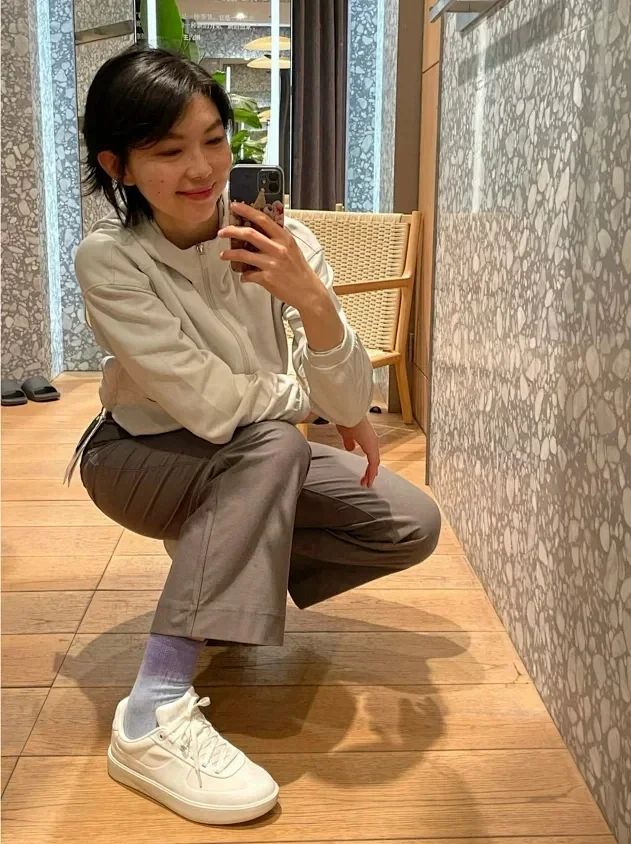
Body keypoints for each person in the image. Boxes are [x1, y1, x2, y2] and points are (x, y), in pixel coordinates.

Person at [70, 45, 441, 826]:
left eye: (214, 139)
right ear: (119, 165)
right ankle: (152, 712)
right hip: (139, 455)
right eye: (168, 150)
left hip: (250, 454)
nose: (201, 168)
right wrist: (312, 402)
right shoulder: (111, 259)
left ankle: (219, 561)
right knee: (275, 442)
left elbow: (352, 401)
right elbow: (209, 406)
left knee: (409, 523)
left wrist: (312, 302)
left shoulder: (288, 243)